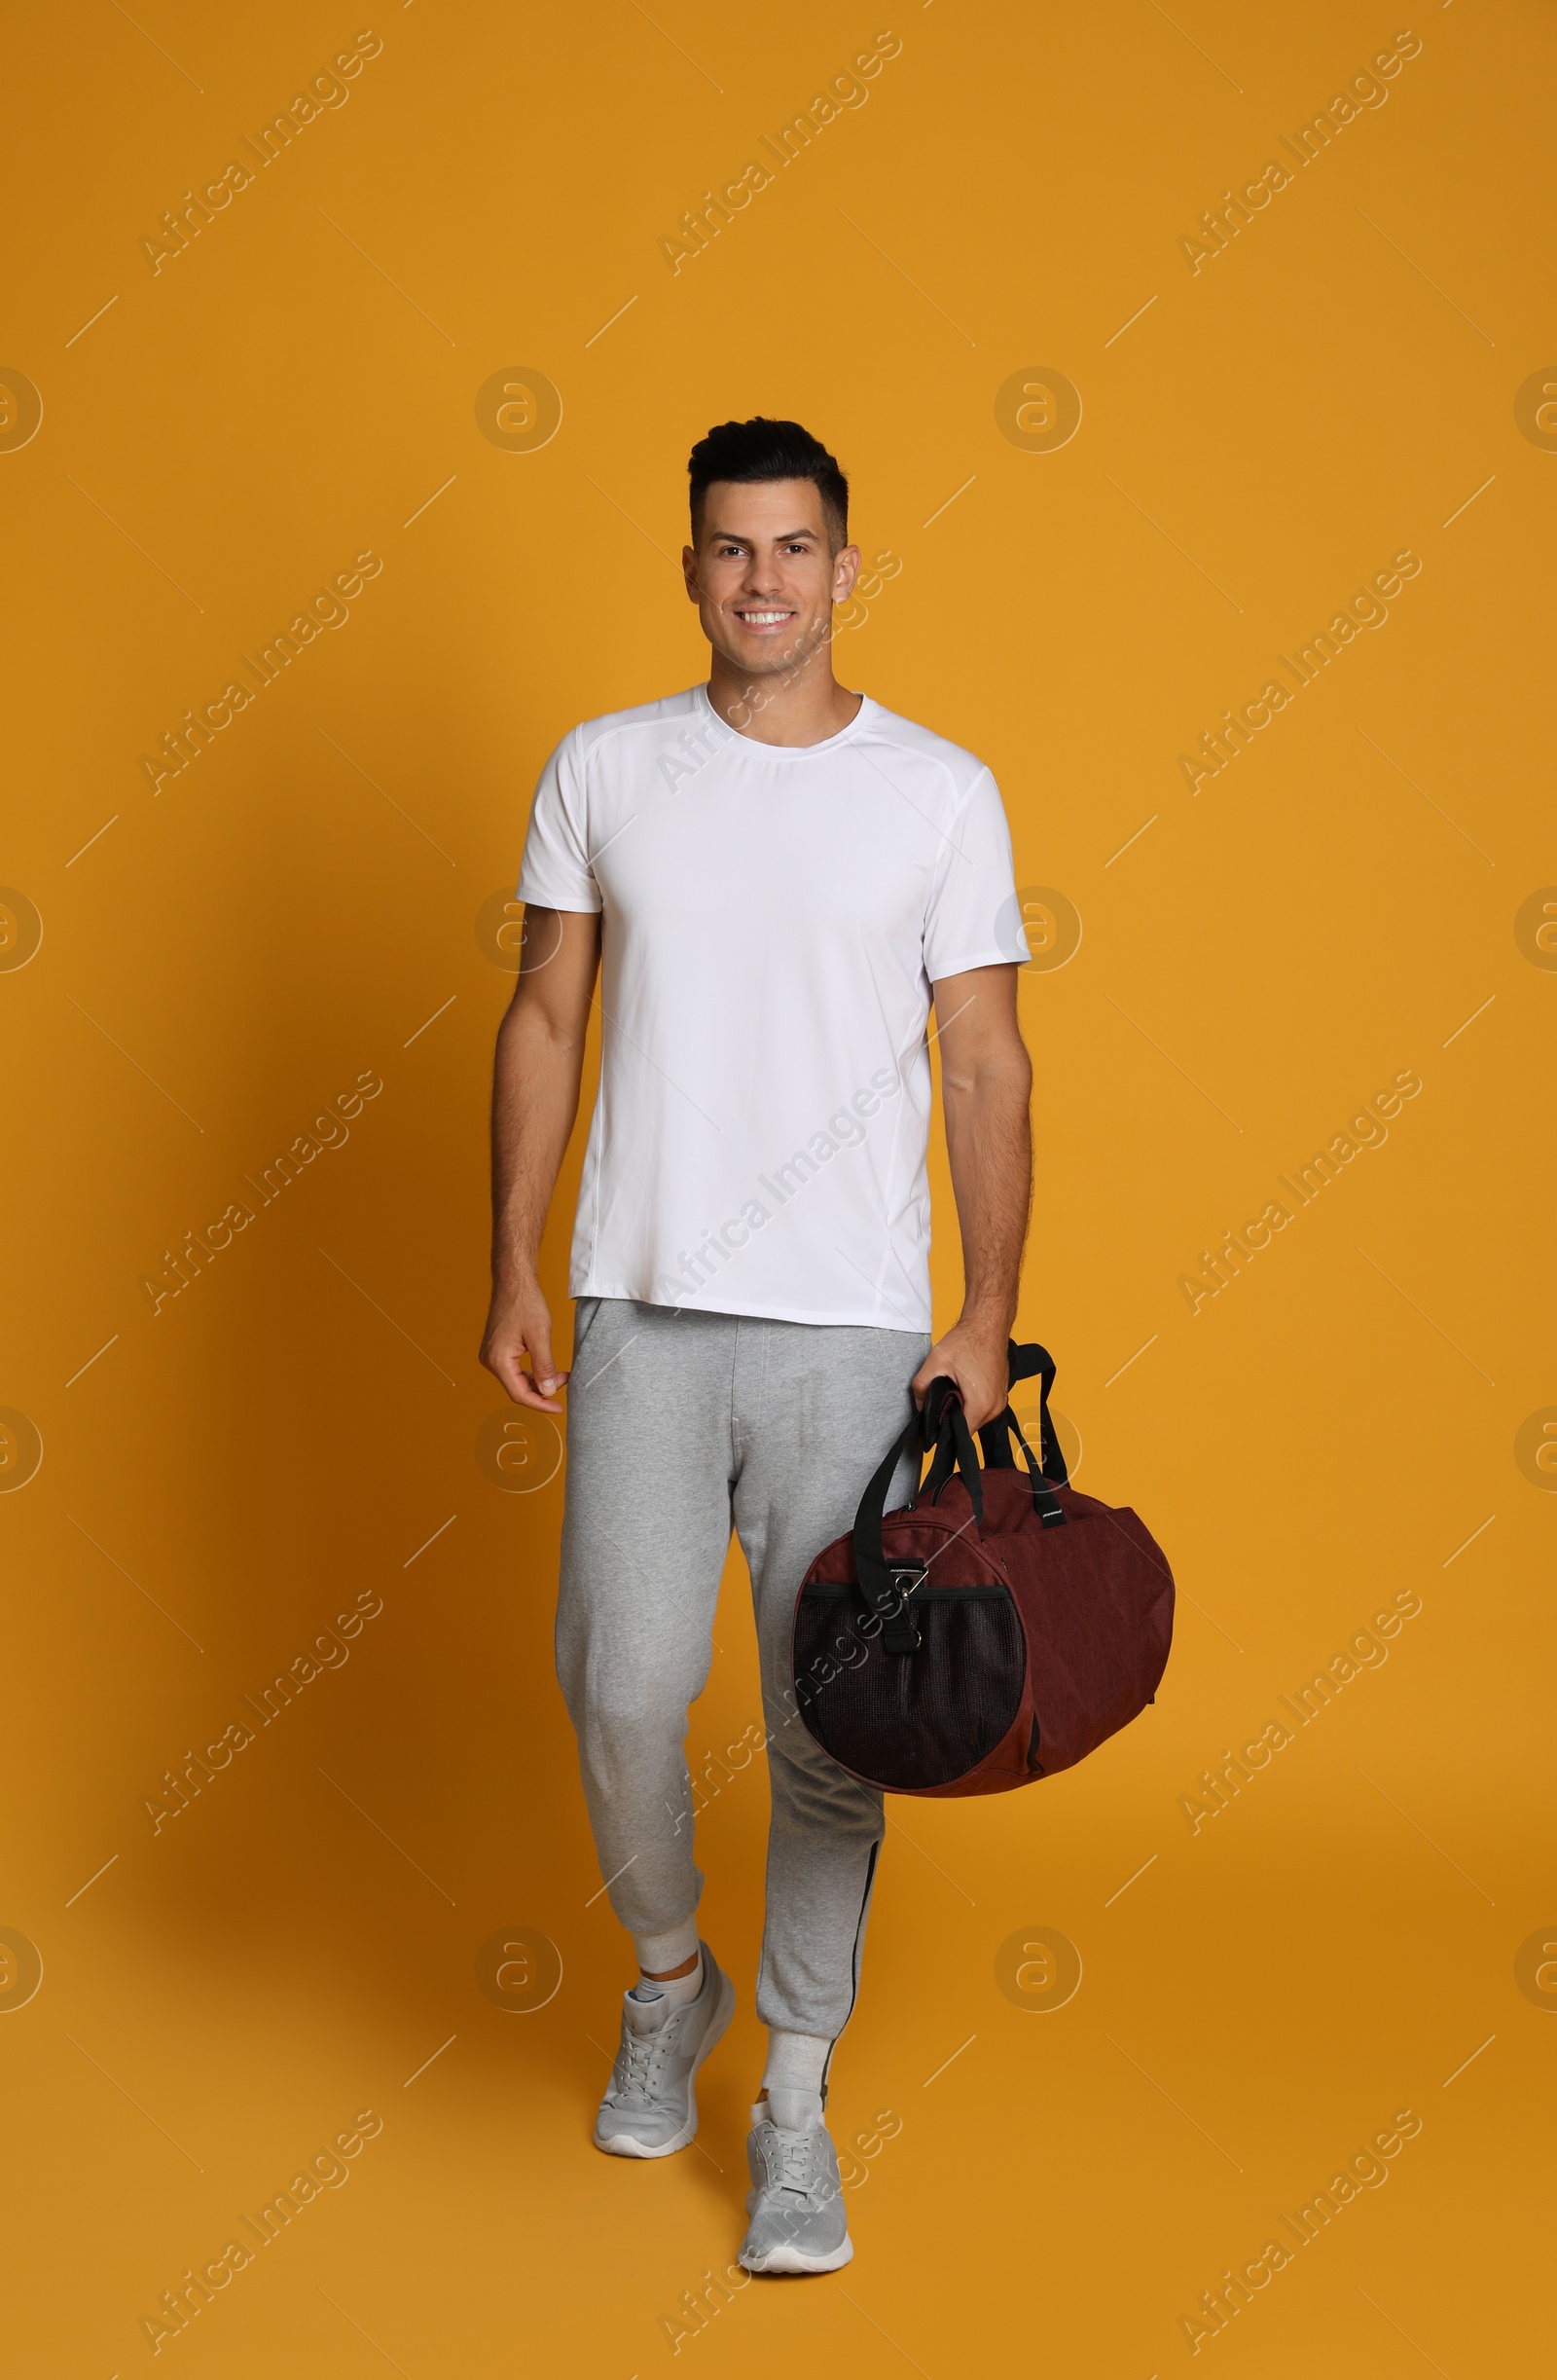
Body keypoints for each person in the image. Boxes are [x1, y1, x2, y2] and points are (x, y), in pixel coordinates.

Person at [480, 417, 1032, 2273]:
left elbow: (984, 1054)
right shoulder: (604, 768)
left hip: (850, 1335)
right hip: (642, 1309)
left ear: (847, 566)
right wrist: (517, 1262)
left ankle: (793, 2105)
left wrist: (985, 1313)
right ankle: (669, 1980)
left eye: (797, 549)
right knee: (623, 1687)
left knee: (825, 1728)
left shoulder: (938, 792)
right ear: (692, 566)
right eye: (731, 549)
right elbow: (546, 1014)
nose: (765, 581)